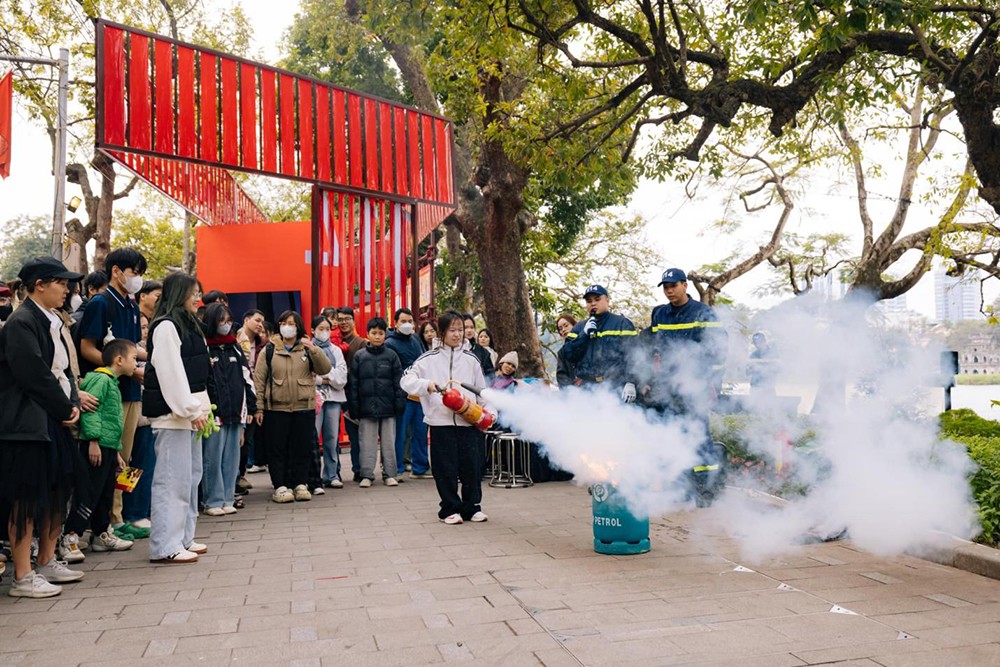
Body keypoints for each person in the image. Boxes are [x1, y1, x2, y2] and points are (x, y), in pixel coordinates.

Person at [0, 257, 84, 597]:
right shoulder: (21, 322)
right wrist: (64, 407)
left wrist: (72, 404)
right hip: (26, 424)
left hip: (51, 419)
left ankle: (47, 559)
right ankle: (22, 575)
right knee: (26, 498)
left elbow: (63, 371)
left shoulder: (51, 319)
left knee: (55, 492)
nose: (67, 289)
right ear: (39, 285)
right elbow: (33, 373)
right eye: (61, 283)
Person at [76, 248, 147, 541]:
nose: (138, 279)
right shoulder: (101, 303)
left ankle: (118, 516)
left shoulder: (130, 304)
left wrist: (148, 359)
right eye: (134, 272)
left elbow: (129, 348)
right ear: (116, 271)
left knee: (125, 457)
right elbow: (87, 348)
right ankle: (107, 522)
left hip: (131, 390)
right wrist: (125, 370)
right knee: (111, 457)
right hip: (109, 389)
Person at [142, 272, 212, 564]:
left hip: (191, 414)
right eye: (193, 293)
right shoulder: (167, 327)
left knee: (190, 478)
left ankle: (183, 536)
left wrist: (200, 410)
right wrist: (188, 408)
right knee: (172, 480)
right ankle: (165, 544)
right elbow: (171, 372)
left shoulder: (188, 324)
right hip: (174, 416)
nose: (198, 298)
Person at [642, 268, 728, 505]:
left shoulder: (703, 313)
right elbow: (654, 350)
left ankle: (707, 490)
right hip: (667, 387)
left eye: (673, 286)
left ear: (685, 286)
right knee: (672, 434)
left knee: (699, 436)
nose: (669, 291)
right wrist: (648, 380)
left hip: (695, 386)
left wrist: (711, 384)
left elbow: (718, 351)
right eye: (666, 287)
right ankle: (680, 487)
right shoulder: (659, 314)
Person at [401, 310, 489, 525]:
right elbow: (406, 380)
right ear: (442, 332)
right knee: (445, 467)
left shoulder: (472, 360)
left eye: (461, 330)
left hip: (468, 421)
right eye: (453, 330)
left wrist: (488, 413)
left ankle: (472, 507)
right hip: (440, 422)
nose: (458, 334)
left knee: (471, 465)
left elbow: (482, 391)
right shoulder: (427, 359)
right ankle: (449, 508)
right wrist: (426, 385)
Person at [63, 339, 138, 556]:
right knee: (89, 492)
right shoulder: (101, 380)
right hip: (95, 446)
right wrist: (93, 441)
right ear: (119, 359)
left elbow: (110, 419)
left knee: (105, 492)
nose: (136, 363)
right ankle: (70, 536)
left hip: (108, 447)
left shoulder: (112, 382)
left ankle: (101, 532)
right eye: (133, 359)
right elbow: (91, 411)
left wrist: (116, 451)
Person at [254, 310, 332, 503]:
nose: (287, 327)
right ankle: (280, 486)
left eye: (292, 323)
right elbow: (259, 380)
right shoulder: (270, 349)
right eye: (284, 323)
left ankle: (300, 484)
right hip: (276, 409)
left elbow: (325, 369)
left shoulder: (306, 348)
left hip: (303, 407)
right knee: (277, 448)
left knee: (302, 447)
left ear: (299, 327)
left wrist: (313, 348)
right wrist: (259, 407)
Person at [201, 304, 256, 516]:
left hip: (236, 412)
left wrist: (251, 407)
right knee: (212, 458)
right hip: (214, 414)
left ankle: (227, 497)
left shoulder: (234, 347)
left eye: (228, 321)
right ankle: (212, 500)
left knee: (231, 460)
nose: (225, 325)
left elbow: (247, 379)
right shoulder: (204, 347)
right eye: (221, 321)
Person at [347, 317, 406, 487]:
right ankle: (366, 474)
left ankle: (390, 474)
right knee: (366, 442)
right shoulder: (359, 356)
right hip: (366, 407)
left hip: (388, 407)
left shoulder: (392, 355)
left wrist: (399, 402)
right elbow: (354, 384)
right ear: (367, 334)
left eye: (381, 333)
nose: (378, 336)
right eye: (374, 333)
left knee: (389, 442)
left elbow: (398, 382)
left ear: (385, 334)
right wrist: (354, 406)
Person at [560, 285, 638, 401]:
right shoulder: (578, 328)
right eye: (589, 301)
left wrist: (631, 382)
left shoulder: (622, 324)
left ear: (607, 300)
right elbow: (568, 355)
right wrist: (583, 335)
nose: (593, 304)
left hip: (616, 387)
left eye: (597, 299)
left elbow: (634, 356)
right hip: (587, 388)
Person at [385, 307, 430, 479]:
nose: (407, 324)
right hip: (402, 395)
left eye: (410, 321)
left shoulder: (416, 340)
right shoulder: (389, 343)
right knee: (400, 434)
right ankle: (397, 468)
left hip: (419, 394)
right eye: (403, 321)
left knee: (420, 431)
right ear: (395, 323)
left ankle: (420, 467)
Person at [312, 316, 348, 488]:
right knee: (313, 436)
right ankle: (313, 475)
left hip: (334, 398)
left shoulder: (336, 350)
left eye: (327, 328)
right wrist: (326, 377)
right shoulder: (308, 350)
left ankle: (331, 474)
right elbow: (309, 377)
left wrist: (323, 377)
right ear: (313, 330)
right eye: (320, 328)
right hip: (314, 398)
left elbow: (341, 378)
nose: (324, 332)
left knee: (332, 438)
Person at [336, 307, 367, 481]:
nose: (343, 322)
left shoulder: (361, 343)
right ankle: (335, 472)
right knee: (333, 436)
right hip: (334, 393)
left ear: (353, 321)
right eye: (340, 319)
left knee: (356, 434)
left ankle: (359, 469)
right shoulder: (333, 343)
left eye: (347, 319)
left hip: (353, 395)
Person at [237, 309, 267, 474]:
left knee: (249, 437)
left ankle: (241, 473)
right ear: (246, 320)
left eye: (262, 322)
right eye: (257, 320)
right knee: (239, 438)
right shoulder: (235, 340)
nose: (260, 325)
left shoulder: (262, 344)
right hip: (239, 392)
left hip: (256, 393)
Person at [463, 314, 495, 383]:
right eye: (466, 327)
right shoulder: (454, 349)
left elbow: (490, 375)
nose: (469, 330)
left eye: (472, 327)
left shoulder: (483, 352)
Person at [555, 314, 578, 388]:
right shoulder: (562, 352)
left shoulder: (588, 344)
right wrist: (572, 390)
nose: (563, 330)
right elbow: (561, 375)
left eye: (566, 325)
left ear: (574, 325)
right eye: (560, 328)